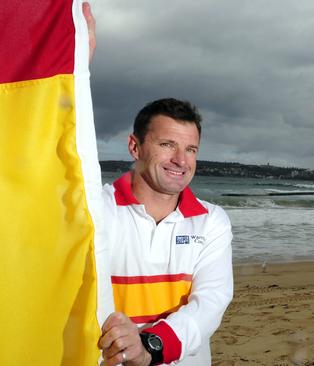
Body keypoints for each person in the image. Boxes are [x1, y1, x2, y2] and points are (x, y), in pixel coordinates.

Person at [97, 98, 234, 366]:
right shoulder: (95, 210)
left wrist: (150, 346)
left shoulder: (211, 221)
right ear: (135, 147)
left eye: (191, 149)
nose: (181, 160)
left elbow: (210, 303)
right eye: (167, 145)